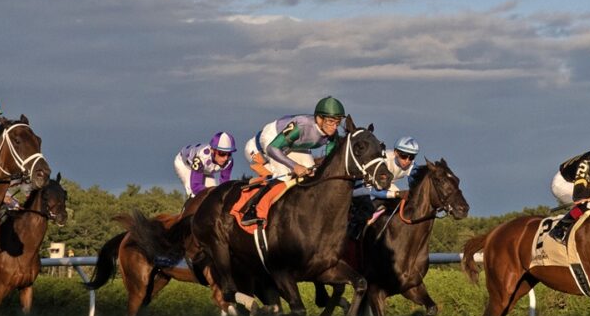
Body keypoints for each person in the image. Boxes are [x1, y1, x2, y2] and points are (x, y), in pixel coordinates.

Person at [239, 96, 346, 224]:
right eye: (330, 121)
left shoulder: (332, 135)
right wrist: (295, 166)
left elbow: (330, 161)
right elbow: (273, 148)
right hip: (269, 142)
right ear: (319, 118)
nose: (334, 127)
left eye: (337, 122)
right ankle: (252, 210)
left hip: (292, 145)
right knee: (283, 175)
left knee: (311, 174)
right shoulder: (301, 125)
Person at [349, 136, 421, 238]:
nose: (407, 161)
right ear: (396, 152)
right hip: (362, 187)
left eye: (412, 157)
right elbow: (373, 190)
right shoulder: (384, 160)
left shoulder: (412, 166)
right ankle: (353, 231)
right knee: (393, 194)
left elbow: (416, 186)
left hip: (384, 185)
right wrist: (396, 194)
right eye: (404, 156)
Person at [174, 131, 237, 198]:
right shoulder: (201, 158)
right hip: (185, 165)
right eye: (222, 153)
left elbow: (224, 183)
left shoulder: (229, 161)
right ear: (212, 150)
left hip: (205, 168)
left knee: (213, 193)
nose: (225, 158)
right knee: (194, 194)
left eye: (229, 153)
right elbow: (195, 186)